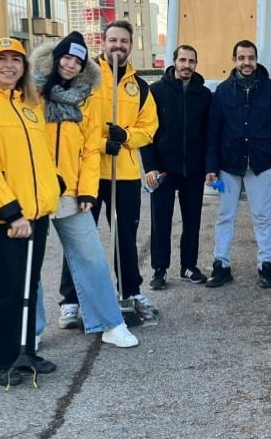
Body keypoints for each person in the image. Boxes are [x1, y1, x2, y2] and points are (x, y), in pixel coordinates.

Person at [0, 37, 61, 387]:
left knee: (29, 284)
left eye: (15, 60)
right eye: (0, 59)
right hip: (6, 216)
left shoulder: (28, 104)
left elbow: (40, 156)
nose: (9, 65)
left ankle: (25, 350)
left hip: (36, 210)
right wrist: (10, 212)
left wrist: (55, 185)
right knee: (12, 284)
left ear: (24, 67)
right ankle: (2, 359)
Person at [31, 31, 138, 348]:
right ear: (55, 59)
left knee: (91, 257)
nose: (70, 65)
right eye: (66, 57)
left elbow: (91, 150)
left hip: (71, 189)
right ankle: (30, 330)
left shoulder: (85, 99)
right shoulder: (32, 93)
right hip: (34, 189)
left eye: (78, 61)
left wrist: (88, 191)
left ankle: (109, 323)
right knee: (29, 263)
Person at [59, 21, 159, 323]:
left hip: (124, 175)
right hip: (88, 175)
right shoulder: (86, 79)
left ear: (131, 44)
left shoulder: (139, 87)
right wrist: (104, 143)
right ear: (103, 43)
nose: (118, 45)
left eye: (124, 41)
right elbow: (76, 123)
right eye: (113, 40)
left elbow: (149, 129)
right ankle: (71, 300)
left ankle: (130, 291)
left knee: (125, 237)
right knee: (79, 237)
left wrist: (125, 136)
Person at [204, 40, 271, 288]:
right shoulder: (223, 91)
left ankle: (266, 266)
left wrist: (268, 139)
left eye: (251, 57)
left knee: (263, 216)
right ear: (234, 60)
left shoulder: (269, 89)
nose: (247, 63)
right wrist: (211, 167)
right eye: (241, 58)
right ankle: (221, 265)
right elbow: (213, 131)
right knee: (225, 216)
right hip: (228, 164)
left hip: (260, 164)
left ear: (256, 59)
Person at [141, 44, 213, 288]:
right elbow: (146, 132)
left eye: (191, 61)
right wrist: (150, 166)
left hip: (193, 169)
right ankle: (159, 270)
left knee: (192, 220)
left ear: (195, 64)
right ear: (174, 62)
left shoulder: (203, 95)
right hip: (163, 169)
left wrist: (208, 166)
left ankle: (188, 266)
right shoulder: (156, 91)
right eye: (182, 60)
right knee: (161, 220)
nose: (187, 66)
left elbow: (209, 133)